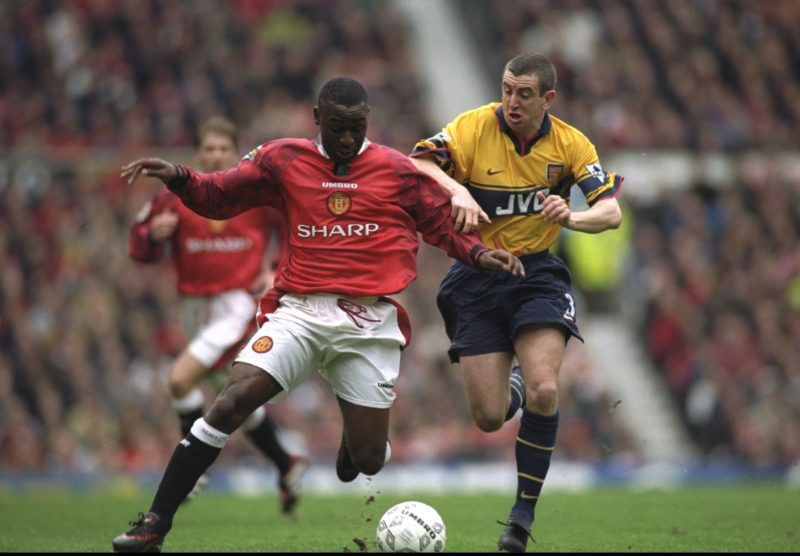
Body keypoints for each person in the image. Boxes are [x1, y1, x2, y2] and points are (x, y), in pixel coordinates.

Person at [112, 77, 524, 553]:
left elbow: (438, 223)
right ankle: (153, 526)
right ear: (316, 119)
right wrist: (180, 177)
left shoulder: (396, 169)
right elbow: (219, 195)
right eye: (337, 128)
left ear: (367, 121)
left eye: (356, 127)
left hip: (367, 324)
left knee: (368, 462)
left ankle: (355, 440)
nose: (347, 138)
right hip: (301, 312)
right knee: (230, 403)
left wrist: (478, 253)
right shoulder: (282, 159)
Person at [409, 53, 623, 553]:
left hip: (536, 274)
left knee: (547, 389)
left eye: (524, 94)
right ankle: (517, 388)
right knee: (488, 417)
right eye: (507, 89)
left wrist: (570, 218)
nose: (512, 102)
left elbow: (610, 213)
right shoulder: (472, 127)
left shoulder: (571, 144)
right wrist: (455, 189)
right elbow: (418, 162)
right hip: (478, 274)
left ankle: (521, 518)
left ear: (547, 98)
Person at [127, 116, 309, 515]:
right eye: (208, 149)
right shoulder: (173, 196)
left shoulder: (255, 195)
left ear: (234, 152)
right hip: (194, 310)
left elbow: (297, 227)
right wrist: (151, 238)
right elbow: (138, 247)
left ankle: (192, 469)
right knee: (238, 403)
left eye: (222, 149)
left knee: (179, 379)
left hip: (238, 306)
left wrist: (274, 269)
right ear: (198, 153)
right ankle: (286, 463)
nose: (215, 156)